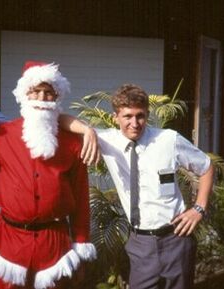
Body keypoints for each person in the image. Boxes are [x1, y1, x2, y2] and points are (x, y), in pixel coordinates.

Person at [0, 61, 97, 289]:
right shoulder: (2, 134)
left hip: (54, 246)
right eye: (35, 92)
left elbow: (81, 201)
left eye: (48, 93)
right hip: (9, 243)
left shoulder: (72, 143)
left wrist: (80, 247)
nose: (41, 98)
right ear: (24, 95)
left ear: (57, 98)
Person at [62, 83, 214, 289]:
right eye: (128, 116)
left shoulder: (168, 140)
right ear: (116, 117)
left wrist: (199, 208)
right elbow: (59, 119)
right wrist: (87, 131)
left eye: (140, 116)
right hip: (140, 244)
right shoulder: (107, 140)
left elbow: (205, 166)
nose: (135, 123)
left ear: (147, 114)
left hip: (176, 239)